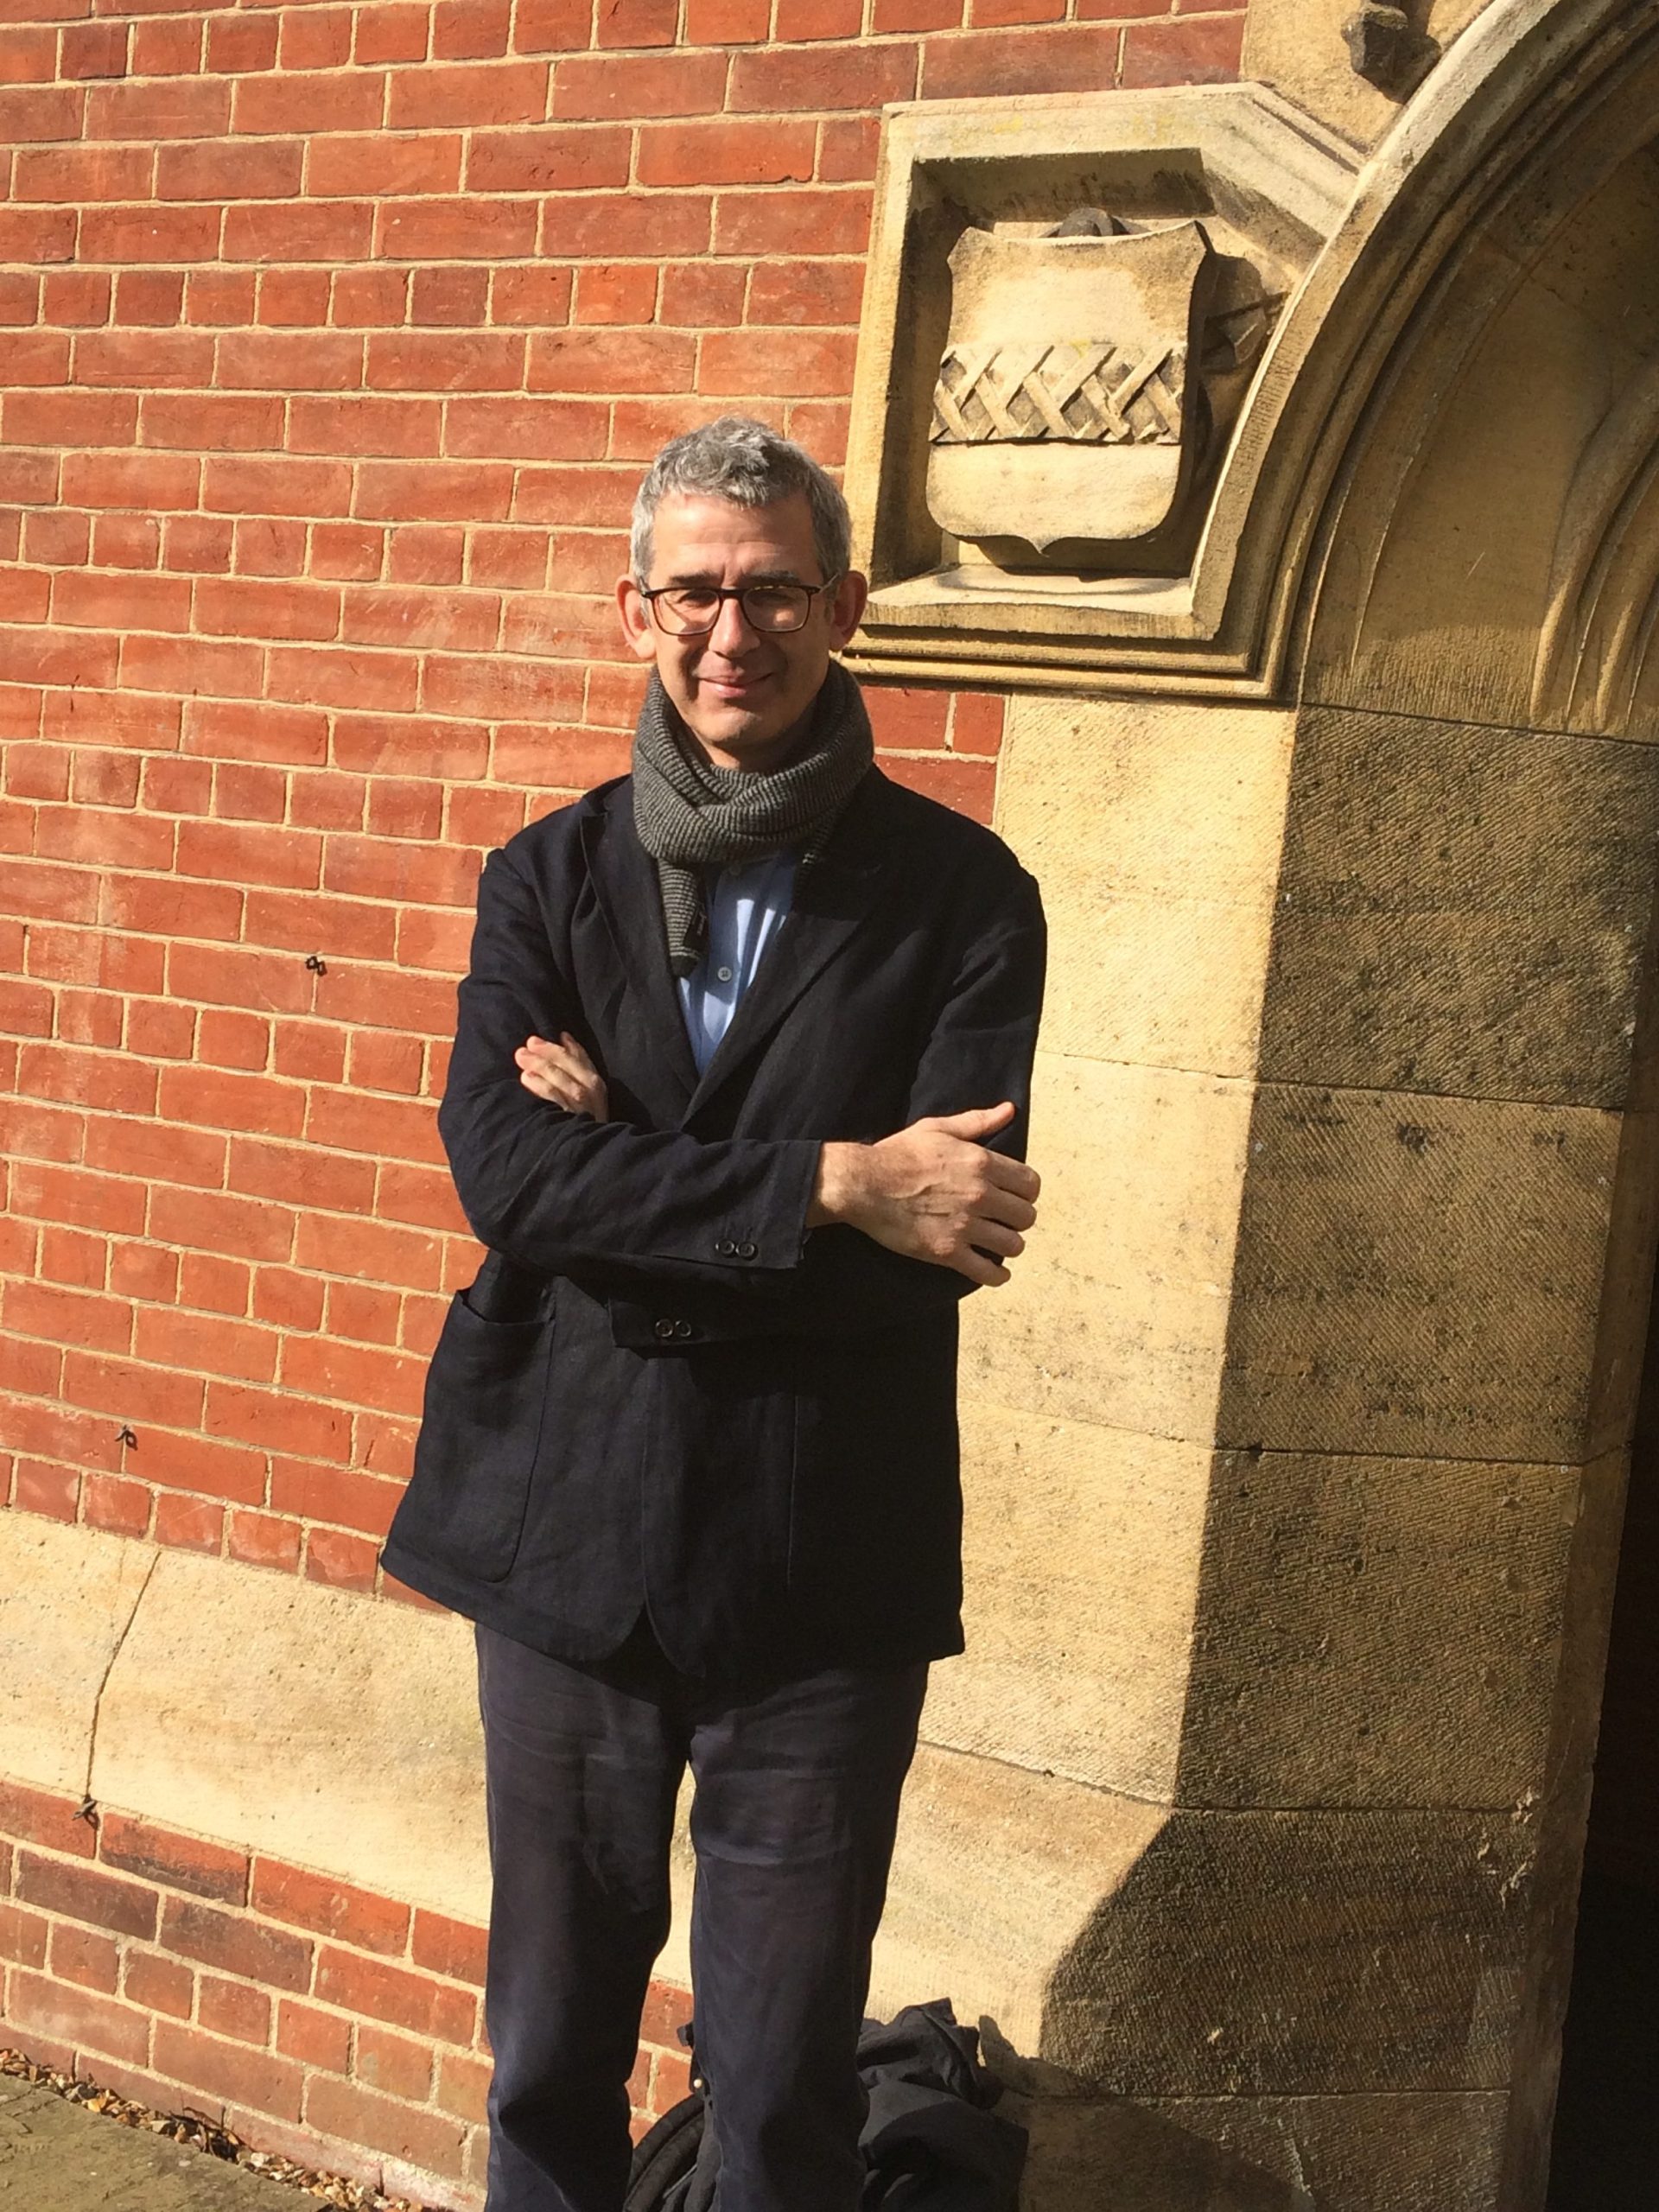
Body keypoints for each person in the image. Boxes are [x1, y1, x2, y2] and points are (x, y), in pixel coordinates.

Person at [381, 416, 1046, 2212]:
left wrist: (638, 1176)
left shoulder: (966, 897)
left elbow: (954, 1225)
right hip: (567, 1535)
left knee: (777, 2099)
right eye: (693, 591)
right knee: (546, 2065)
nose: (729, 631)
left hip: (819, 1553)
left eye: (768, 591)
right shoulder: (549, 874)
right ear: (635, 610)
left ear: (839, 607)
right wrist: (829, 1178)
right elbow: (509, 1182)